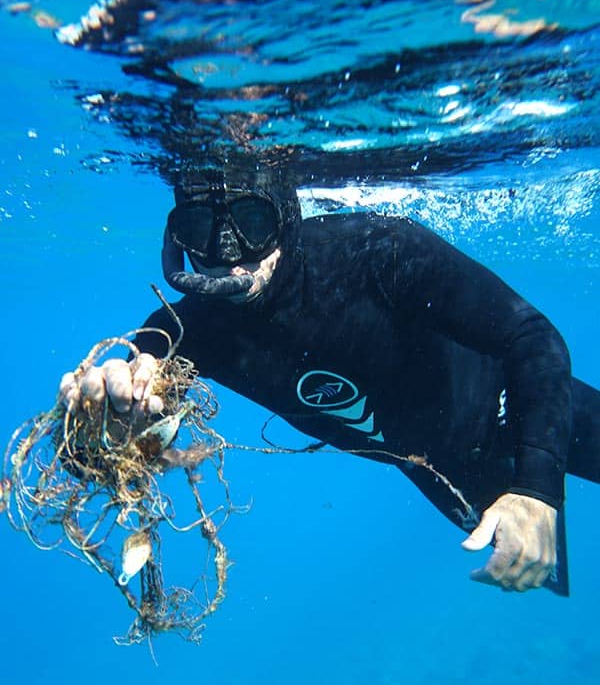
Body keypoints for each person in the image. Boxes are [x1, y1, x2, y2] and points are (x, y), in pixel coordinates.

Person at [60, 163, 600, 595]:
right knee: (532, 576)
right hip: (448, 473)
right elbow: (142, 379)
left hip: (521, 406)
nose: (229, 256)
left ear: (286, 216)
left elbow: (533, 338)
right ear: (177, 240)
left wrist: (537, 490)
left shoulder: (376, 254)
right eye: (201, 230)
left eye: (251, 224)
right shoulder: (191, 330)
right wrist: (99, 415)